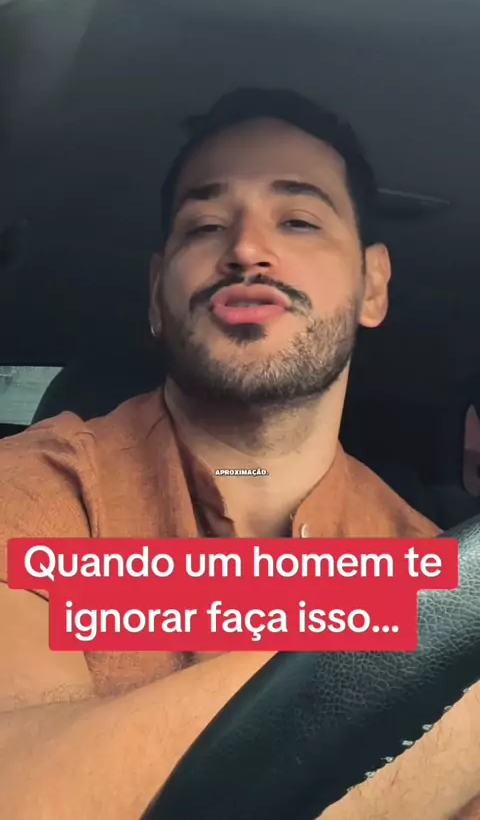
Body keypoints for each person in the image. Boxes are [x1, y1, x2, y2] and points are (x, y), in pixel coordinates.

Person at [0, 87, 478, 820]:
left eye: (299, 220)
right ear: (157, 294)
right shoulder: (35, 489)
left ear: (373, 285)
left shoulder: (425, 554)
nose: (247, 249)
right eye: (205, 225)